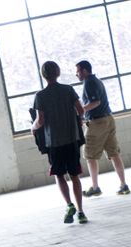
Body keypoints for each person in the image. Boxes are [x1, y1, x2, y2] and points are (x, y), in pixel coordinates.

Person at [31, 61, 88, 224]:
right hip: (71, 139)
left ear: (44, 75)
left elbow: (40, 121)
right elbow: (81, 110)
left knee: (59, 175)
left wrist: (32, 127)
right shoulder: (68, 90)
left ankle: (69, 204)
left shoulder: (40, 96)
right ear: (58, 72)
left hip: (53, 142)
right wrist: (76, 121)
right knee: (75, 175)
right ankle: (81, 212)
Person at [76, 60, 130, 196]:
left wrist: (80, 110)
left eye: (78, 71)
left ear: (84, 71)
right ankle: (124, 185)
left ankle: (95, 187)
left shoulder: (89, 82)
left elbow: (96, 102)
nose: (76, 74)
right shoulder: (96, 80)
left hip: (98, 122)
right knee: (114, 153)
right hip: (108, 119)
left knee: (90, 155)